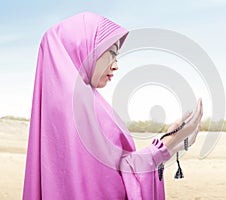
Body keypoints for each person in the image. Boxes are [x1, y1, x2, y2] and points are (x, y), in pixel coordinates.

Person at [23, 12, 203, 200]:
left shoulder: (59, 105)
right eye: (111, 52)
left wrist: (169, 145)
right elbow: (107, 187)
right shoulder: (82, 105)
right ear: (81, 47)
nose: (116, 65)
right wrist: (168, 143)